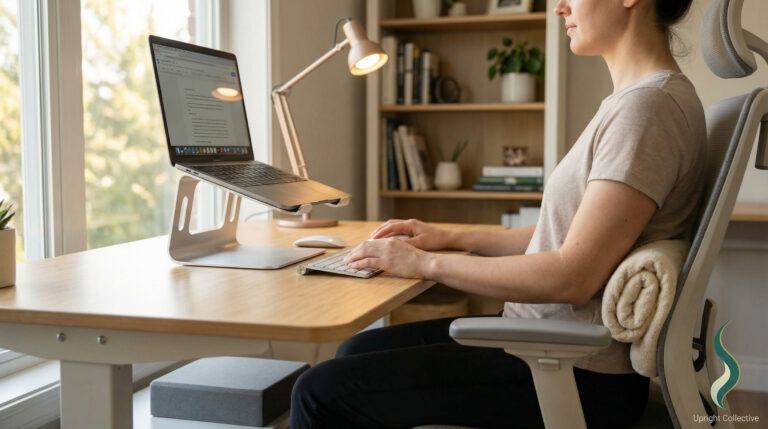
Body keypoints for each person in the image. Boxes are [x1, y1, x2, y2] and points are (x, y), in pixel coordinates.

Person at [291, 0, 703, 427]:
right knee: (356, 352)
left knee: (318, 393)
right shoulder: (638, 100)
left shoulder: (646, 109)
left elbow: (573, 276)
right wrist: (451, 237)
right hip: (549, 345)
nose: (559, 7)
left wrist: (424, 262)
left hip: (574, 373)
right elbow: (562, 235)